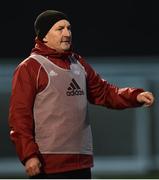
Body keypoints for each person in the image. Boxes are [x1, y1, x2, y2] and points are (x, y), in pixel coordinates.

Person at [8, 9, 154, 179]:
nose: (67, 33)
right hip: (47, 165)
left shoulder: (78, 64)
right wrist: (29, 155)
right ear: (45, 36)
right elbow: (19, 117)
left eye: (69, 28)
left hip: (81, 163)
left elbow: (104, 92)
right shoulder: (30, 68)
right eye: (60, 28)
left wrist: (134, 96)